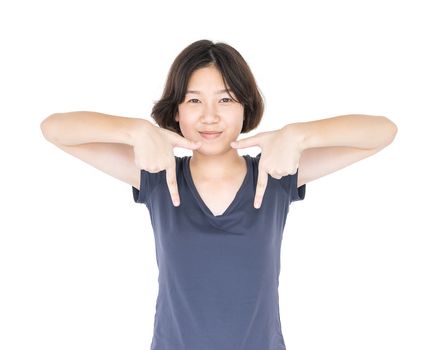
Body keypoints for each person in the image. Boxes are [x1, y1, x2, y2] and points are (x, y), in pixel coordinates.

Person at [40, 39, 398, 350]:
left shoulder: (276, 174)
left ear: (245, 107)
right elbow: (54, 129)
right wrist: (134, 131)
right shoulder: (156, 176)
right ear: (177, 111)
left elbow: (382, 132)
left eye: (225, 99)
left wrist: (299, 135)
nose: (210, 116)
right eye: (194, 100)